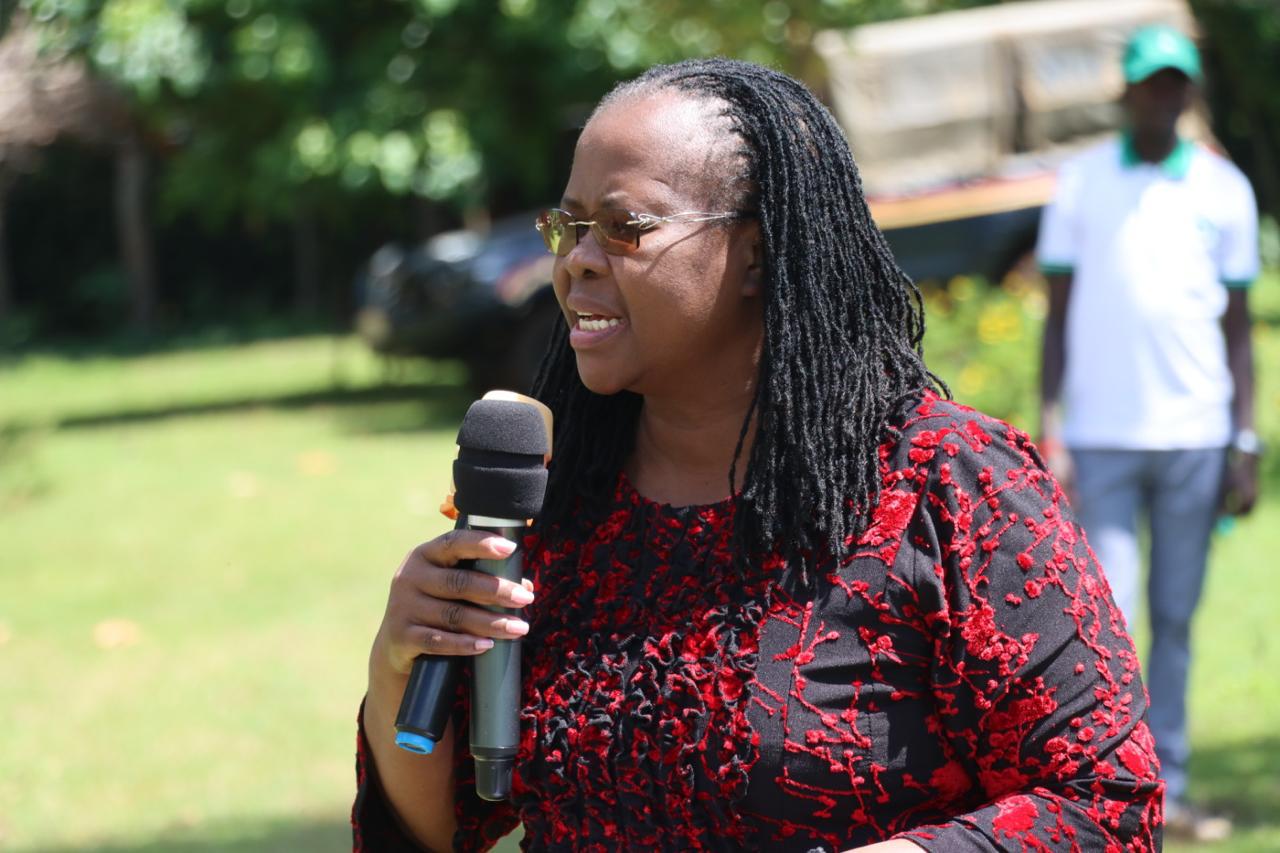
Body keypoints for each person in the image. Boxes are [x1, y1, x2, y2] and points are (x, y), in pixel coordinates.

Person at [355, 59, 1162, 852]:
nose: (578, 259)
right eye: (568, 227)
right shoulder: (560, 498)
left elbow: (1104, 805)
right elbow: (442, 829)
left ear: (757, 251)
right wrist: (397, 662)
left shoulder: (947, 483)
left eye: (625, 227)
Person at [1036, 25, 1259, 842]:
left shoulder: (1222, 188)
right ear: (1126, 92)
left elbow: (1239, 329)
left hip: (1196, 434)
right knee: (1110, 616)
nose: (1163, 96)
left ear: (1188, 92)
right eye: (1150, 83)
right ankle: (1109, 789)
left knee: (1175, 614)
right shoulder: (1082, 182)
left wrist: (1245, 439)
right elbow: (1056, 317)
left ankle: (1172, 783)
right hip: (1102, 435)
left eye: (1176, 83)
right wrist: (1051, 428)